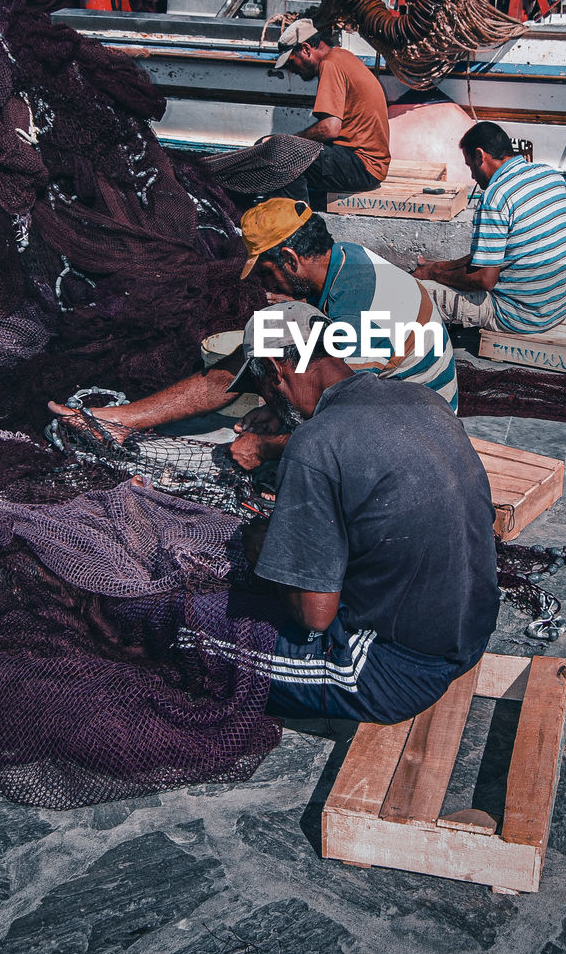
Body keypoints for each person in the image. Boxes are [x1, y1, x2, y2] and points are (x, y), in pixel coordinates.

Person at [177, 301, 500, 724]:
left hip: (393, 673)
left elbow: (314, 615)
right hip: (473, 631)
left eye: (260, 385)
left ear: (277, 368)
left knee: (184, 630)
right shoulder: (420, 398)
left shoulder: (315, 444)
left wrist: (265, 549)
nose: (265, 399)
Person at [48, 197, 457, 468]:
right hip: (368, 400)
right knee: (261, 346)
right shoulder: (341, 260)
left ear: (291, 259)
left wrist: (268, 446)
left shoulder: (367, 307)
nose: (269, 288)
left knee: (286, 455)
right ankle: (120, 420)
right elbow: (236, 367)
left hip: (416, 428)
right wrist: (123, 418)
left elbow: (347, 426)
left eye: (268, 273)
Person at [412, 121, 566, 333]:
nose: (472, 176)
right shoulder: (549, 174)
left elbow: (485, 280)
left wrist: (432, 274)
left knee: (415, 290)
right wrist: (441, 266)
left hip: (524, 317)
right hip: (564, 303)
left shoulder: (495, 197)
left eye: (470, 166)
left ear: (480, 156)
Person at [271, 19, 391, 203]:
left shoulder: (330, 65)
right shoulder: (342, 56)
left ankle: (296, 226)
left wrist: (290, 141)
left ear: (305, 49)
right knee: (285, 151)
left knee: (284, 157)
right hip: (367, 163)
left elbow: (329, 128)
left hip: (362, 166)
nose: (292, 70)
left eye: (291, 62)